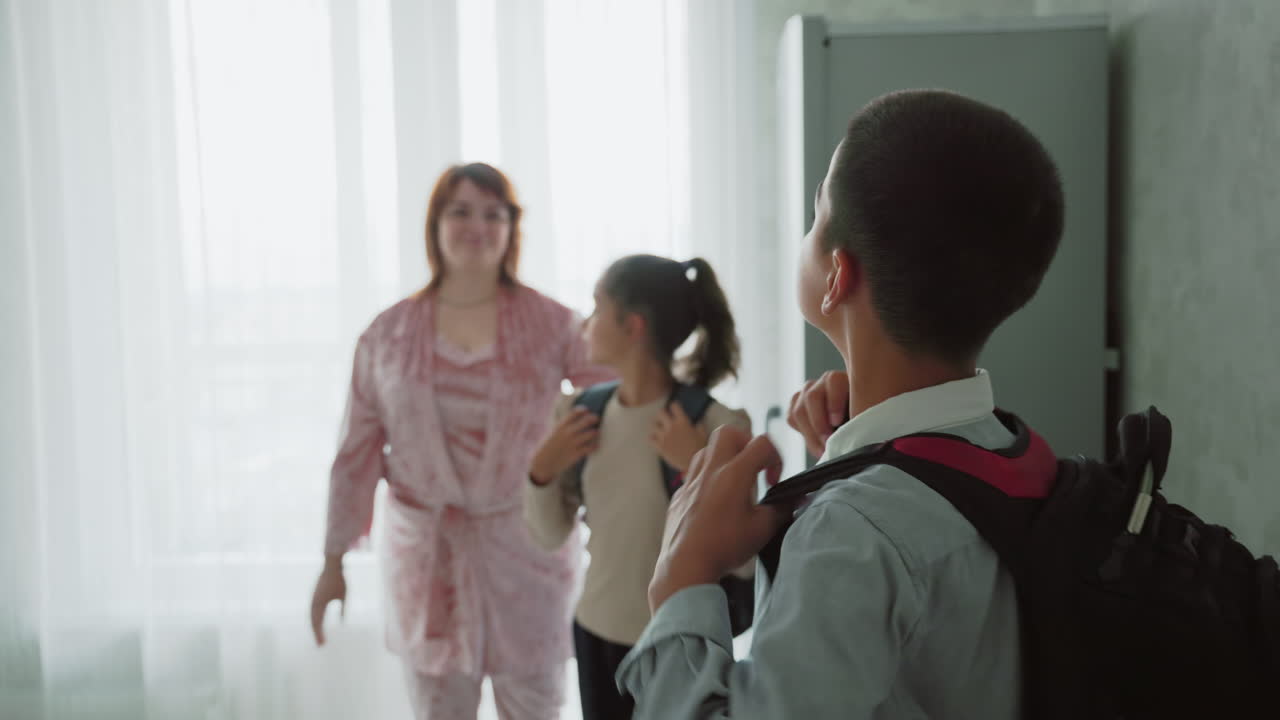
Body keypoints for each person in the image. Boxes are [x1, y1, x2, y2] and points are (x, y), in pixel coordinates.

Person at [617, 89, 1066, 719]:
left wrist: (681, 582)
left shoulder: (852, 536)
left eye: (815, 216)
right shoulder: (1018, 452)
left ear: (836, 275)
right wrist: (847, 460)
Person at [310, 162, 613, 720]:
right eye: (461, 211)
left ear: (512, 228)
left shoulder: (554, 324)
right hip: (427, 563)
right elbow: (355, 456)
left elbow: (617, 401)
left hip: (527, 551)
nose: (478, 225)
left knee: (535, 709)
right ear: (434, 224)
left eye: (494, 213)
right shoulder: (387, 334)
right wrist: (333, 563)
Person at [523, 255, 751, 719]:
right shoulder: (579, 416)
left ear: (633, 326)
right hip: (593, 633)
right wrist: (541, 471)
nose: (585, 323)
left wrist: (696, 464)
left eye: (596, 308)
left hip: (676, 645)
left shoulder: (715, 427)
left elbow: (746, 563)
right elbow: (548, 536)